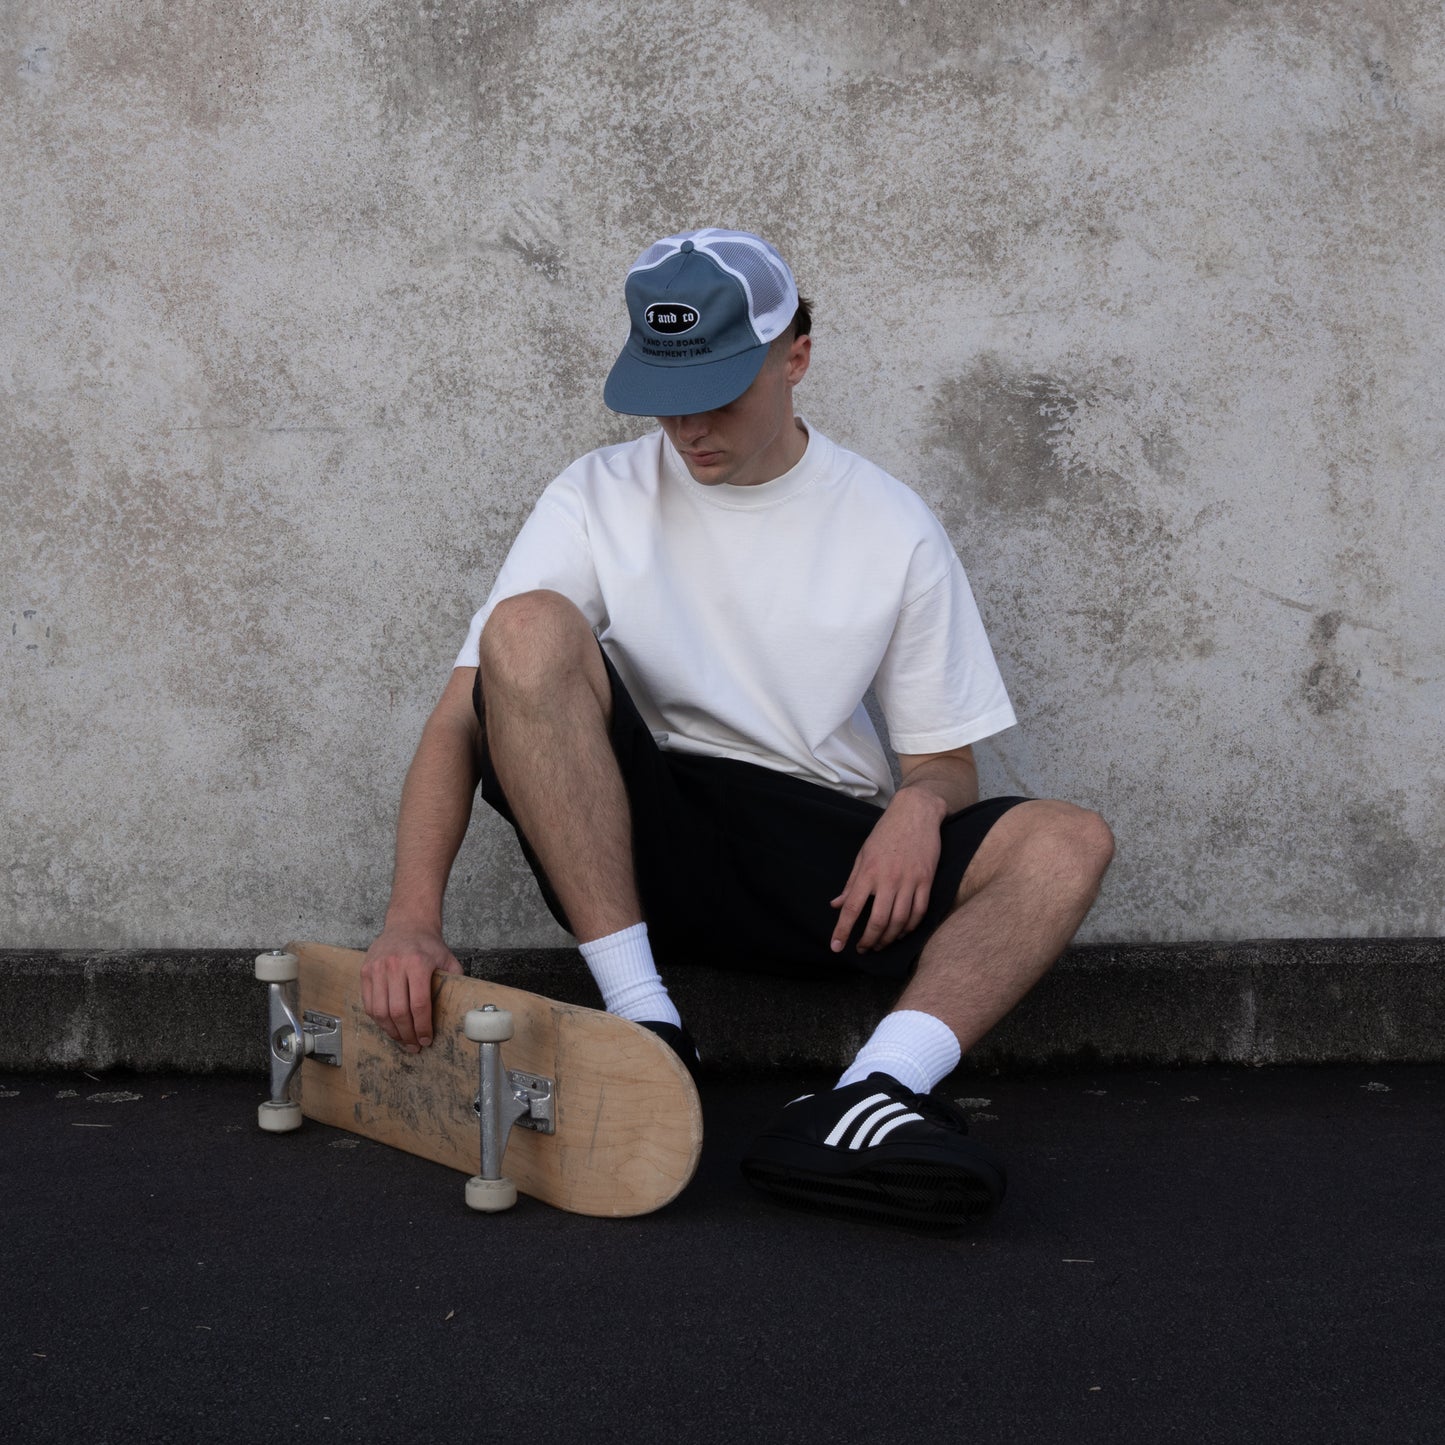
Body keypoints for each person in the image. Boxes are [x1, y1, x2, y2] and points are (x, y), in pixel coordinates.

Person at [361, 228, 1114, 1228]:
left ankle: (872, 1093)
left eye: (717, 393)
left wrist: (920, 808)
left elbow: (942, 761)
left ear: (794, 354)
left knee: (1069, 840)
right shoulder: (594, 497)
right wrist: (413, 917)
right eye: (666, 399)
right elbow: (461, 720)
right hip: (646, 834)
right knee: (523, 629)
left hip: (828, 864)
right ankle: (647, 1031)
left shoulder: (889, 525)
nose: (689, 427)